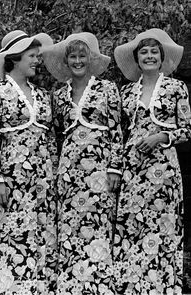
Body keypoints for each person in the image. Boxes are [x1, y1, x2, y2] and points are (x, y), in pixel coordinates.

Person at [42, 32, 123, 294]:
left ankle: (98, 285)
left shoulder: (107, 89)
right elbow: (55, 134)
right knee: (71, 226)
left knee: (98, 224)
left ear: (91, 58)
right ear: (66, 61)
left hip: (100, 169)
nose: (77, 61)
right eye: (73, 56)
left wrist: (114, 167)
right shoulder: (59, 95)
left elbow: (116, 130)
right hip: (69, 172)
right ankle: (73, 286)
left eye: (82, 55)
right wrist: (55, 171)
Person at [112, 28, 191, 295]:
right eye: (143, 52)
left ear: (161, 56)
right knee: (133, 227)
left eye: (153, 52)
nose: (149, 56)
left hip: (164, 171)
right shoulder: (126, 92)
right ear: (137, 59)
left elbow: (187, 130)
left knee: (162, 227)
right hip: (133, 170)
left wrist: (160, 137)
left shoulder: (176, 87)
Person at [0, 30, 58, 295]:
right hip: (12, 182)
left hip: (44, 181)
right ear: (15, 59)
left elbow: (49, 140)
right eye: (32, 56)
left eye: (38, 56)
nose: (38, 61)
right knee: (15, 238)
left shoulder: (43, 95)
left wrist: (55, 176)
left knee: (44, 238)